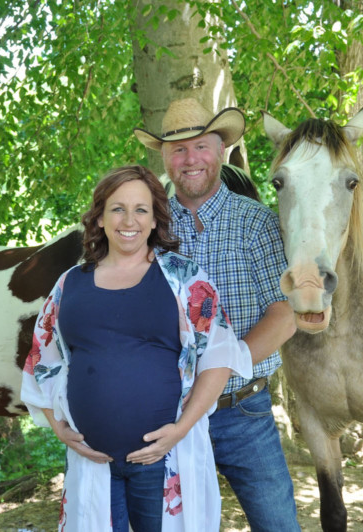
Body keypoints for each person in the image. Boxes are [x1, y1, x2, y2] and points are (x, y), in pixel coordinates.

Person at [21, 165, 252, 531]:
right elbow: (40, 361)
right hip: (92, 461)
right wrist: (57, 426)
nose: (129, 220)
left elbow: (219, 359)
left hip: (163, 458)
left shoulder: (185, 278)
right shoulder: (69, 284)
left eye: (141, 209)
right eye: (117, 208)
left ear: (156, 218)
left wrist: (179, 430)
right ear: (98, 218)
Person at [134, 99, 300, 531]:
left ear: (221, 150)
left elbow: (284, 315)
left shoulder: (257, 223)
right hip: (163, 413)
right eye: (178, 150)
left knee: (278, 524)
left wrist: (219, 372)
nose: (190, 160)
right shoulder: (147, 228)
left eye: (201, 147)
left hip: (242, 411)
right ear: (164, 158)